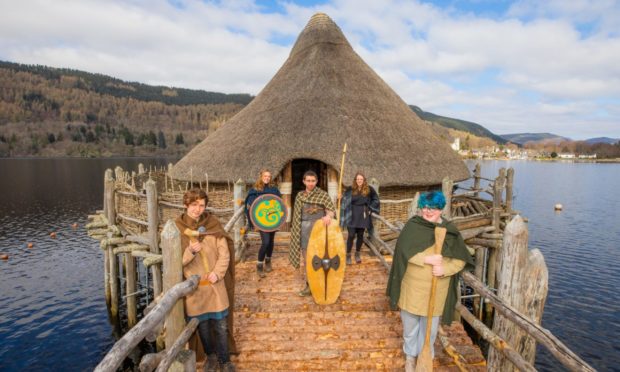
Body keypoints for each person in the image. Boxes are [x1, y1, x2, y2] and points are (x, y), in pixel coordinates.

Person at [386, 191, 473, 372]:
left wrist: (444, 269)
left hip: (436, 291)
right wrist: (427, 259)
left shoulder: (450, 231)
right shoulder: (413, 225)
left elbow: (460, 259)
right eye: (424, 207)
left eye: (432, 208)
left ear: (441, 209)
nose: (427, 211)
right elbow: (403, 251)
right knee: (410, 328)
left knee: (430, 331)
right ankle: (410, 356)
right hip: (411, 288)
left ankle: (426, 356)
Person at [175, 188, 236, 372]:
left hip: (215, 286)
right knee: (203, 328)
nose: (198, 209)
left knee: (221, 326)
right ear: (186, 205)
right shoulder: (177, 229)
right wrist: (190, 251)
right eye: (194, 205)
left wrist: (218, 273)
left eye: (202, 205)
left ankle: (225, 362)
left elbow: (224, 255)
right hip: (196, 291)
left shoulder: (213, 225)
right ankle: (210, 358)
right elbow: (175, 263)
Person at [289, 170, 336, 296]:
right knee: (307, 260)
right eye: (308, 181)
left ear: (317, 181)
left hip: (319, 231)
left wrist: (328, 216)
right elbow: (296, 216)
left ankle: (321, 284)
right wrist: (296, 233)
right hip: (304, 230)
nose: (310, 183)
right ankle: (309, 285)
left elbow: (331, 210)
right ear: (304, 181)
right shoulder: (300, 196)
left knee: (321, 259)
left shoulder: (323, 195)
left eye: (313, 181)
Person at [244, 169, 282, 278]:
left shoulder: (274, 190)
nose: (267, 178)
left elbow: (279, 204)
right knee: (265, 242)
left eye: (269, 176)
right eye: (265, 176)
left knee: (271, 242)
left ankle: (268, 261)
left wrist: (279, 220)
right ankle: (259, 265)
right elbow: (250, 206)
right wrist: (253, 222)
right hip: (261, 221)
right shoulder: (255, 190)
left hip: (272, 219)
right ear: (261, 176)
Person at [339, 172, 380, 265]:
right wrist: (340, 198)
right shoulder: (350, 189)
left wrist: (370, 208)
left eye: (361, 179)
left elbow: (376, 199)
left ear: (364, 180)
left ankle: (357, 253)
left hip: (363, 214)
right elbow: (344, 200)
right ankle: (348, 254)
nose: (359, 181)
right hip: (352, 214)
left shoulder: (369, 189)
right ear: (355, 180)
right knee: (351, 235)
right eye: (357, 179)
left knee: (361, 235)